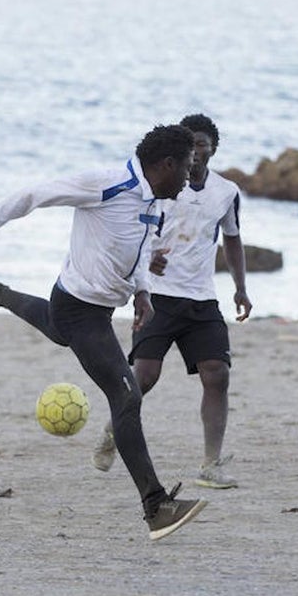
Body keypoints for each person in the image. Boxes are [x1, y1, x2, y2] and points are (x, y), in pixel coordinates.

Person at [0, 124, 207, 541]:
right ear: (167, 164)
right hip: (81, 308)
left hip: (94, 308)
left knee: (54, 327)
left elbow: (138, 253)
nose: (193, 175)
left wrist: (142, 292)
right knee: (126, 395)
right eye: (189, 165)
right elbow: (32, 195)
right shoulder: (106, 184)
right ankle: (155, 505)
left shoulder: (156, 201)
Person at [89, 114, 252, 489]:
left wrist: (240, 287)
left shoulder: (226, 192)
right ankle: (112, 431)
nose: (196, 151)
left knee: (218, 374)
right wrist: (144, 266)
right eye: (190, 144)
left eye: (203, 143)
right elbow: (135, 229)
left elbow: (232, 239)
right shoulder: (161, 185)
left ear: (213, 148)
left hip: (202, 298)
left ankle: (211, 464)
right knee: (144, 377)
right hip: (159, 295)